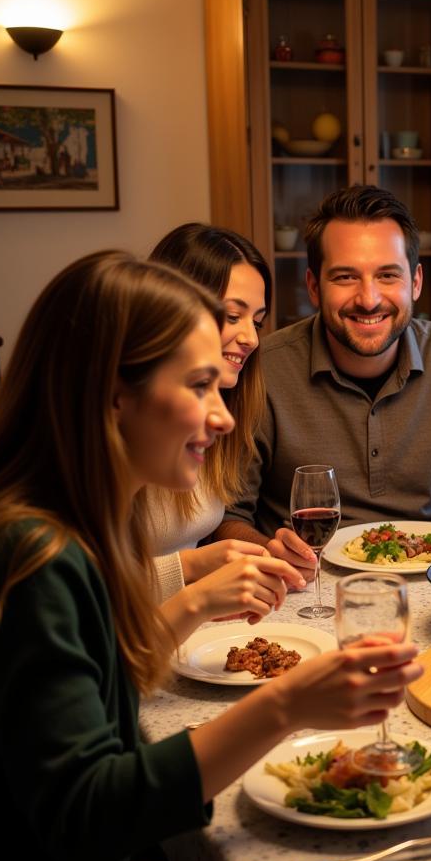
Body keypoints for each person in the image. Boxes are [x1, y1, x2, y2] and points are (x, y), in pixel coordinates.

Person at [0, 252, 423, 861]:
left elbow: (98, 696)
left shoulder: (68, 525)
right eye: (199, 386)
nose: (224, 416)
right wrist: (284, 705)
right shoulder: (35, 557)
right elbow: (89, 818)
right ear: (112, 395)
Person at [217, 185, 431, 577]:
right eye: (345, 277)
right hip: (306, 586)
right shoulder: (264, 366)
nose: (368, 299)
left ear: (415, 282)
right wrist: (272, 553)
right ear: (314, 287)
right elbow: (228, 516)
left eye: (388, 275)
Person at [146, 223, 280, 604]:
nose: (252, 339)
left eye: (257, 321)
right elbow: (73, 588)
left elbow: (210, 526)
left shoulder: (219, 410)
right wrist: (189, 568)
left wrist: (262, 548)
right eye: (232, 316)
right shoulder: (124, 425)